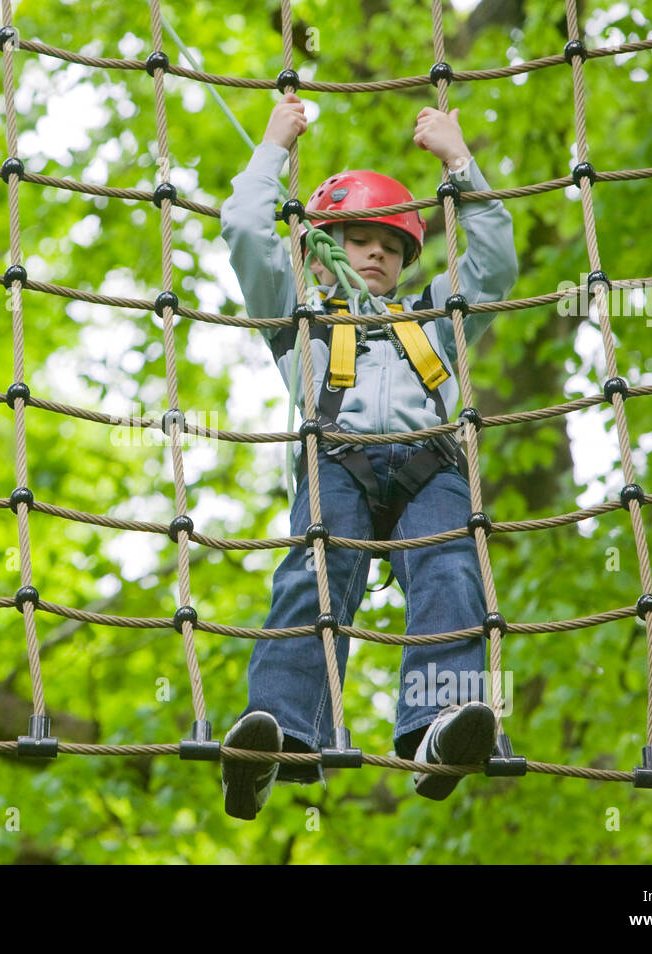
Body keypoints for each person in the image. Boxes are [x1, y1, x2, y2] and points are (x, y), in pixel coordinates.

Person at [217, 92, 518, 820]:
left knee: (452, 573)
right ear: (323, 248)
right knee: (312, 581)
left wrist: (459, 160)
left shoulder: (433, 320)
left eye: (390, 243)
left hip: (428, 467)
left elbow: (498, 265)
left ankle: (436, 730)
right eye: (357, 239)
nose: (376, 252)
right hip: (340, 462)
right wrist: (274, 145)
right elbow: (245, 229)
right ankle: (281, 733)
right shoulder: (299, 315)